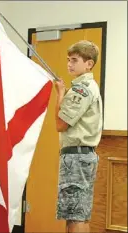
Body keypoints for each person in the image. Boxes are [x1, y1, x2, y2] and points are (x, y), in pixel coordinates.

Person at [54, 40, 103, 233]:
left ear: (89, 64)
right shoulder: (89, 86)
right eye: (68, 60)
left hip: (76, 158)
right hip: (82, 156)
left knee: (75, 218)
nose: (69, 64)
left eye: (74, 60)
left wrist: (59, 94)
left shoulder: (80, 90)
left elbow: (60, 124)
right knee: (78, 214)